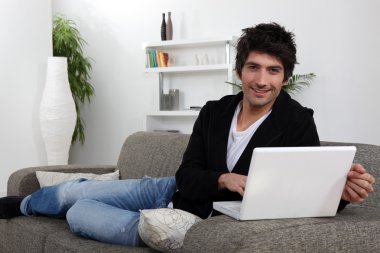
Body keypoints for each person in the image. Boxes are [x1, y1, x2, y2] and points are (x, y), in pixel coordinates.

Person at [0, 23, 375, 247]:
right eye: (254, 68)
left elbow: (300, 195)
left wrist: (337, 194)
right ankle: (25, 205)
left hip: (195, 220)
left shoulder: (297, 122)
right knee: (73, 191)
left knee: (81, 212)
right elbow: (187, 173)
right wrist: (223, 178)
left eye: (273, 71)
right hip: (170, 190)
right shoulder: (215, 111)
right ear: (240, 70)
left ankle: (62, 209)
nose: (262, 80)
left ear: (286, 76)